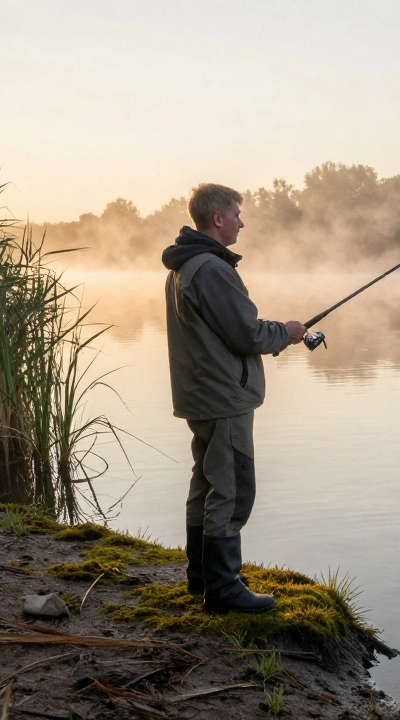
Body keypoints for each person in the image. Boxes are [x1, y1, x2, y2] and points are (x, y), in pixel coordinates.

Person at [161, 183, 304, 614]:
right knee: (231, 488)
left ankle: (202, 578)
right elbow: (247, 332)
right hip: (223, 398)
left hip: (202, 393)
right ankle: (223, 592)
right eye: (238, 214)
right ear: (218, 218)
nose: (243, 221)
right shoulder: (211, 269)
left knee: (205, 481)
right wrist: (288, 332)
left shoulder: (186, 266)